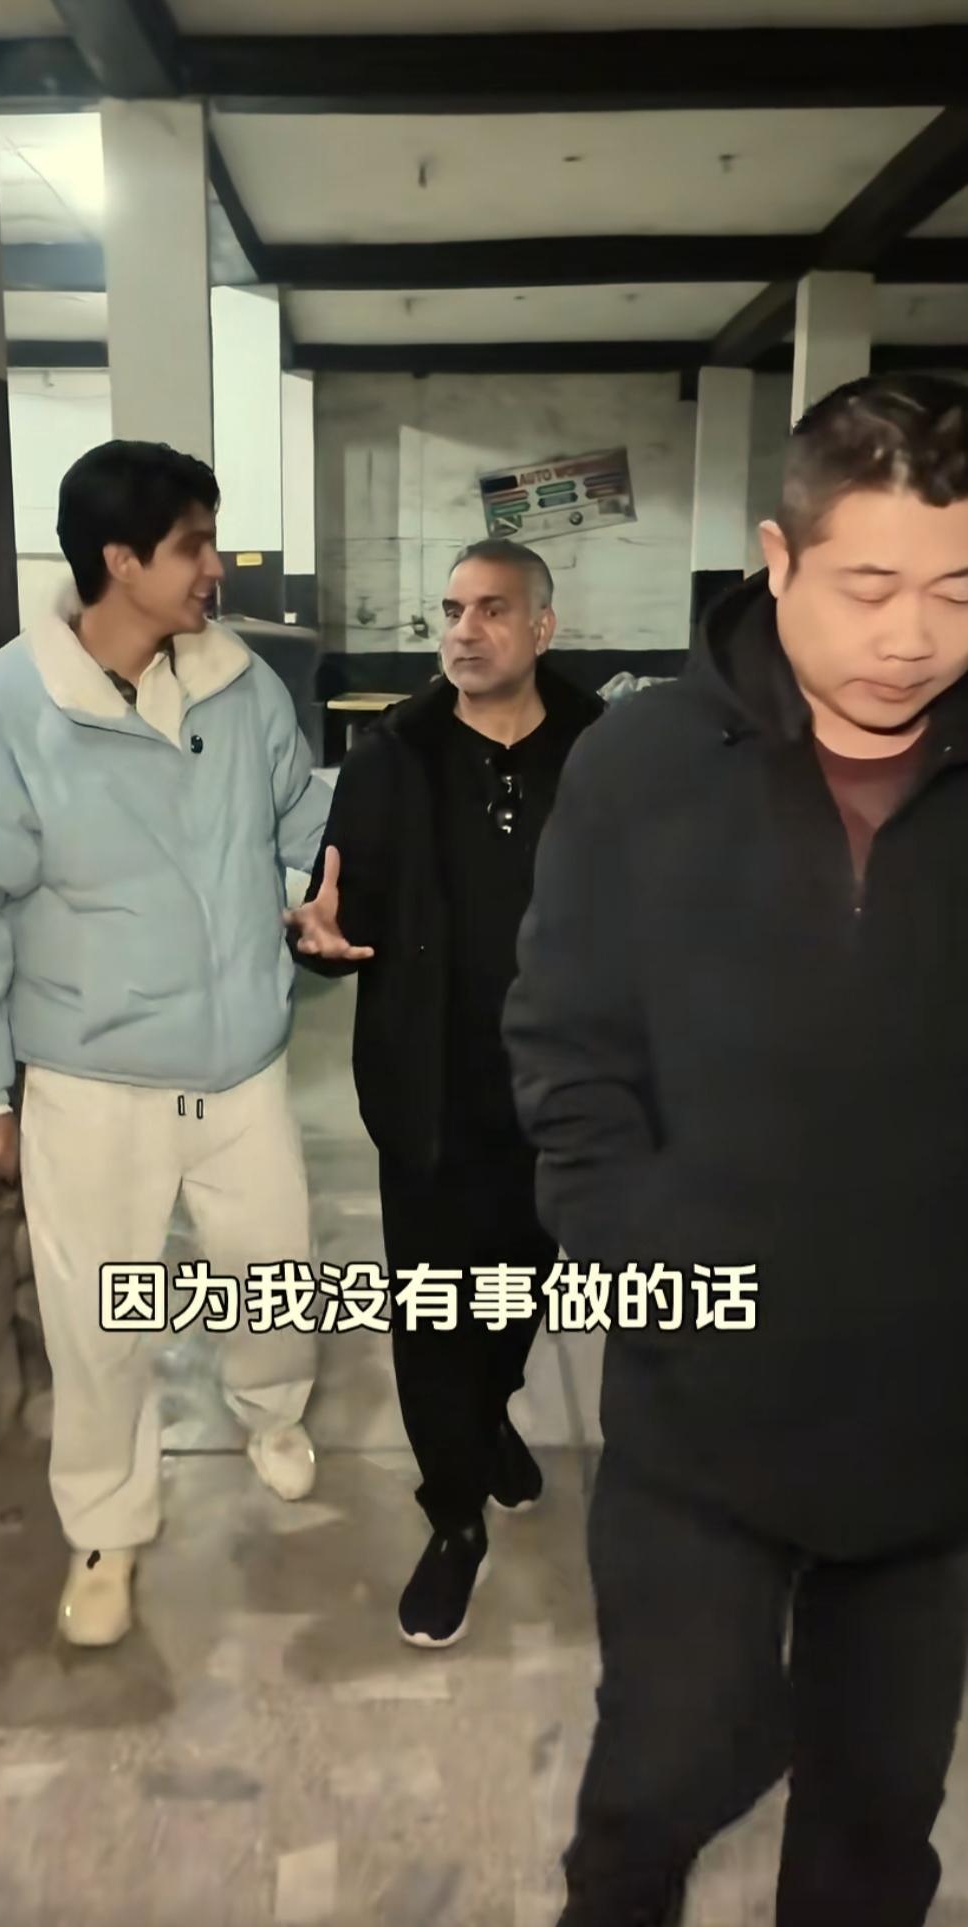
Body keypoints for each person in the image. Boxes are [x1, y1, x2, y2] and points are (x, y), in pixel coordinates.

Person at [504, 374, 968, 1927]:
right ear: (775, 558)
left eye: (957, 589)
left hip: (930, 1417)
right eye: (869, 585)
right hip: (697, 1397)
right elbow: (566, 1045)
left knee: (875, 1810)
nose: (912, 634)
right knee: (666, 1754)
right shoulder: (642, 765)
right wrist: (643, 1263)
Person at [0, 440, 330, 1647]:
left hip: (240, 1064)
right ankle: (105, 1526)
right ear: (121, 560)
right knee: (99, 1322)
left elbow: (298, 816)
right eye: (193, 546)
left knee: (272, 1268)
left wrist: (308, 890)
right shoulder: (6, 710)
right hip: (92, 1079)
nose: (216, 567)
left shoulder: (242, 685)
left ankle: (272, 1412)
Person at [286, 538, 602, 1648]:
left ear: (541, 627)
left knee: (519, 1285)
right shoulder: (393, 756)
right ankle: (454, 1511)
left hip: (557, 1089)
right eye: (451, 610)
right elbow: (341, 908)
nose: (464, 631)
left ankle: (487, 1415)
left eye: (492, 609)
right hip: (428, 1088)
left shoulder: (601, 752)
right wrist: (317, 943)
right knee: (433, 1306)